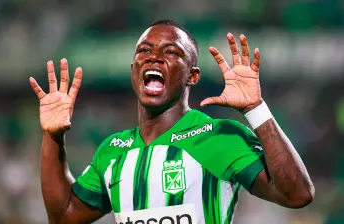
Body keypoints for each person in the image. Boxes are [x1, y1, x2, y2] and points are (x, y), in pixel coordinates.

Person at [29, 19, 315, 224]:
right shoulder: (112, 151)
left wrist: (256, 109)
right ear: (133, 70)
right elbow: (64, 215)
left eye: (171, 52)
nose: (154, 57)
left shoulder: (218, 136)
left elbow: (298, 195)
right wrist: (52, 137)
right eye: (144, 50)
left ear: (192, 76)